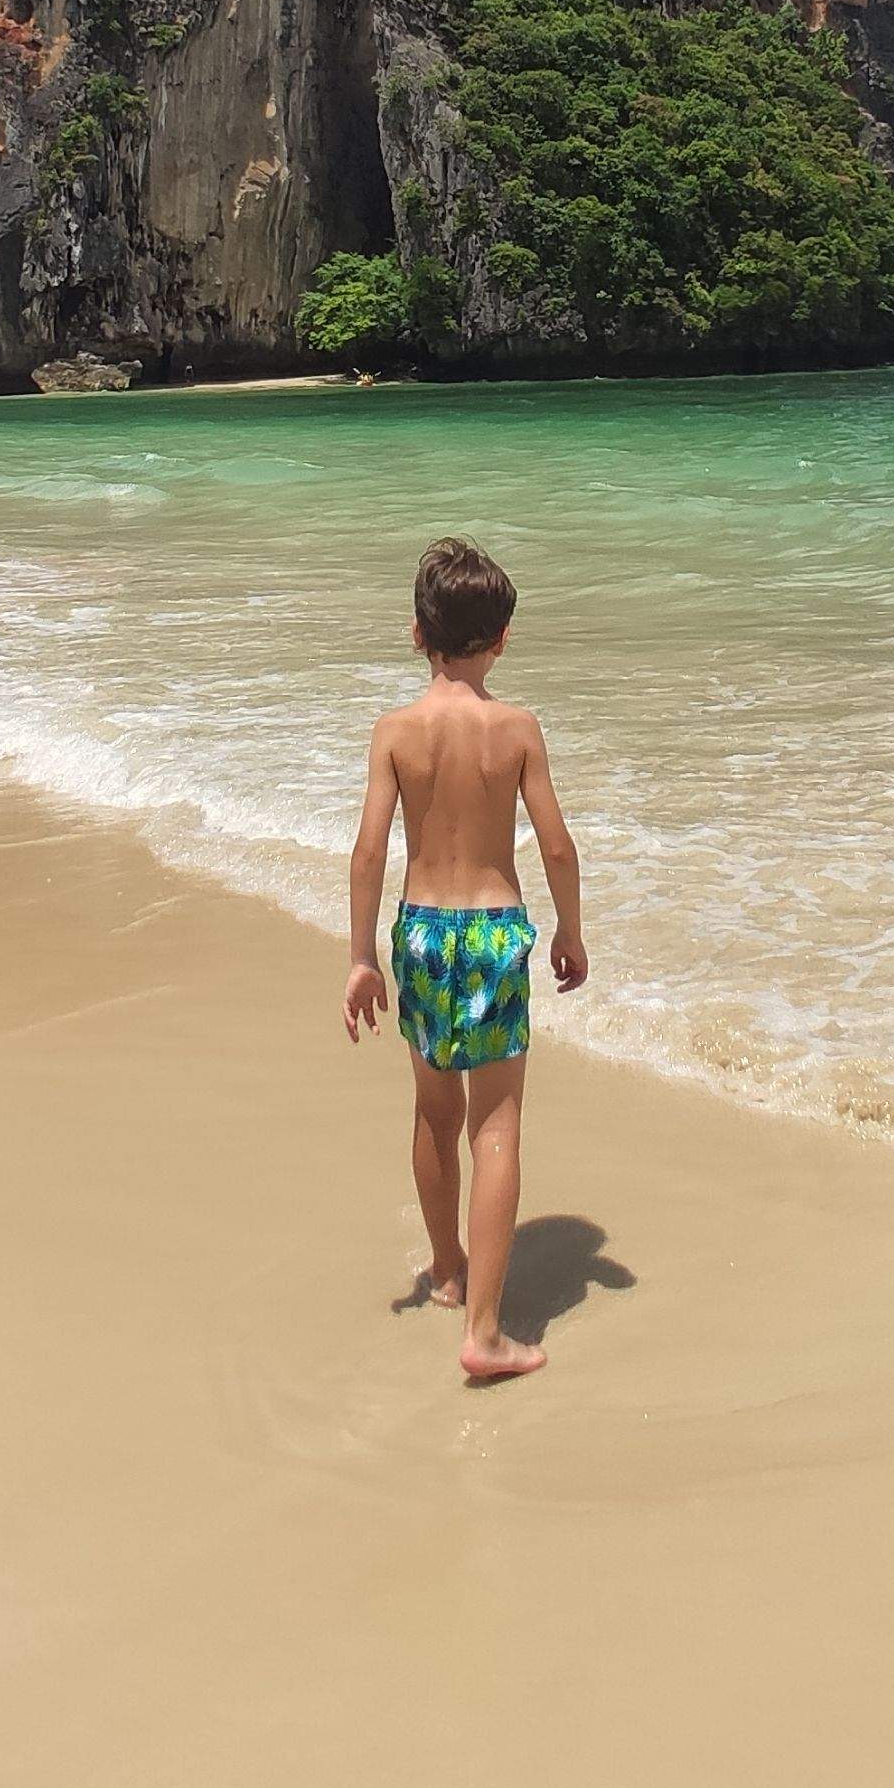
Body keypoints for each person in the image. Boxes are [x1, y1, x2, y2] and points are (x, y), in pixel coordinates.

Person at [344, 535, 588, 1383]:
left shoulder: (395, 733)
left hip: (418, 932)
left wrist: (359, 955)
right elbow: (556, 848)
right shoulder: (516, 729)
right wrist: (570, 932)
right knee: (497, 1128)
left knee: (433, 1113)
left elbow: (369, 851)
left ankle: (448, 1268)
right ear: (504, 637)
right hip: (490, 935)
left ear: (417, 634)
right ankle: (486, 1332)